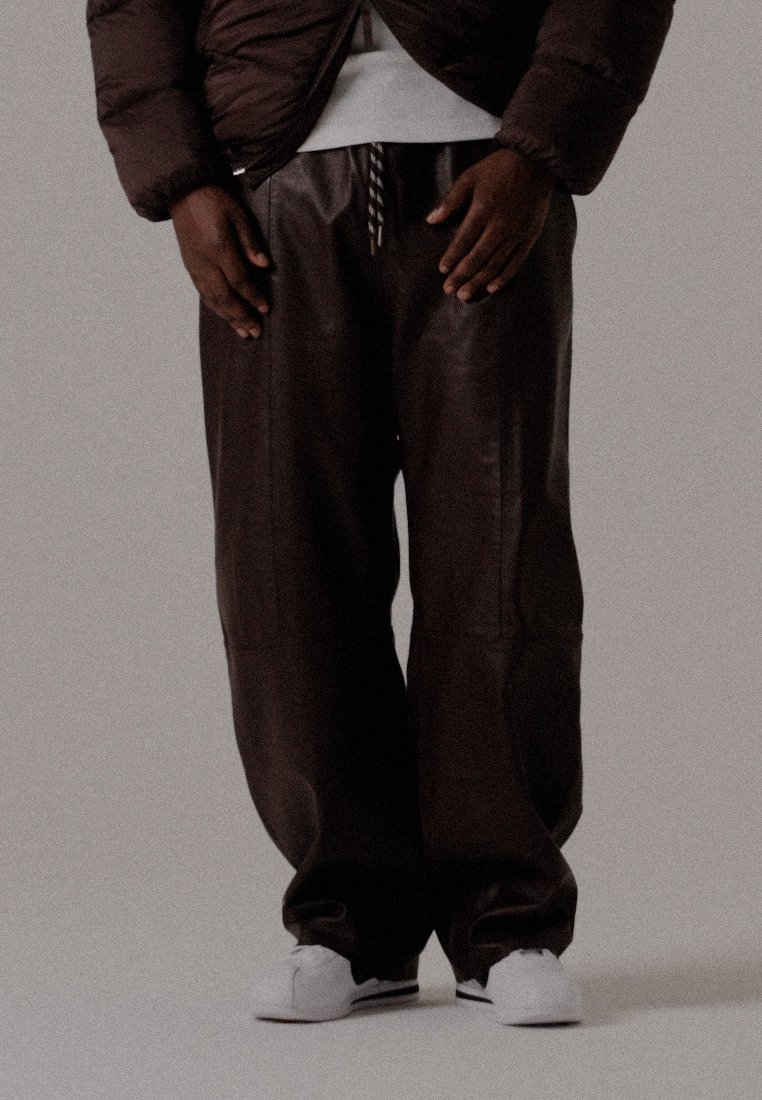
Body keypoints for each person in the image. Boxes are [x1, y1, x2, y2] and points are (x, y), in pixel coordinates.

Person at [85, 0, 675, 1027]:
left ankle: (508, 922)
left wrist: (540, 147)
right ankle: (349, 924)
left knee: (499, 559)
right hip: (271, 180)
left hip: (486, 162)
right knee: (287, 566)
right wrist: (179, 177)